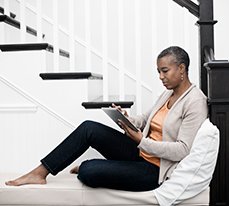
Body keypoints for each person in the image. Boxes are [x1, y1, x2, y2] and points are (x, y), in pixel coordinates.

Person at [5, 46, 208, 192]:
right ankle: (40, 172)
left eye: (165, 71)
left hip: (156, 169)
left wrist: (141, 141)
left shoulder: (195, 102)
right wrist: (127, 118)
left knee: (88, 171)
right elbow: (145, 120)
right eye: (159, 72)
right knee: (88, 128)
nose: (161, 77)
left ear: (181, 69)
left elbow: (183, 150)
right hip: (140, 152)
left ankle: (94, 167)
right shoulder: (168, 93)